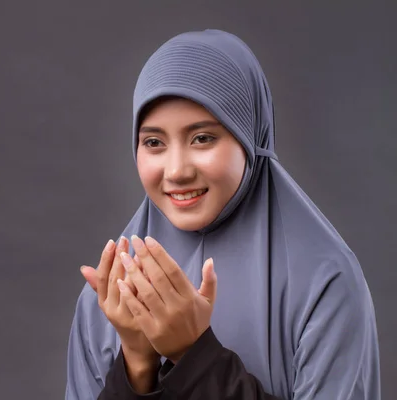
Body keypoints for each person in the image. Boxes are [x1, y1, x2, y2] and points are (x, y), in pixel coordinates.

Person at [65, 29, 381, 400]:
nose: (177, 170)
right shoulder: (114, 294)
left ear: (250, 137)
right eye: (154, 142)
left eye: (202, 138)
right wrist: (136, 363)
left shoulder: (325, 283)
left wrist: (194, 356)